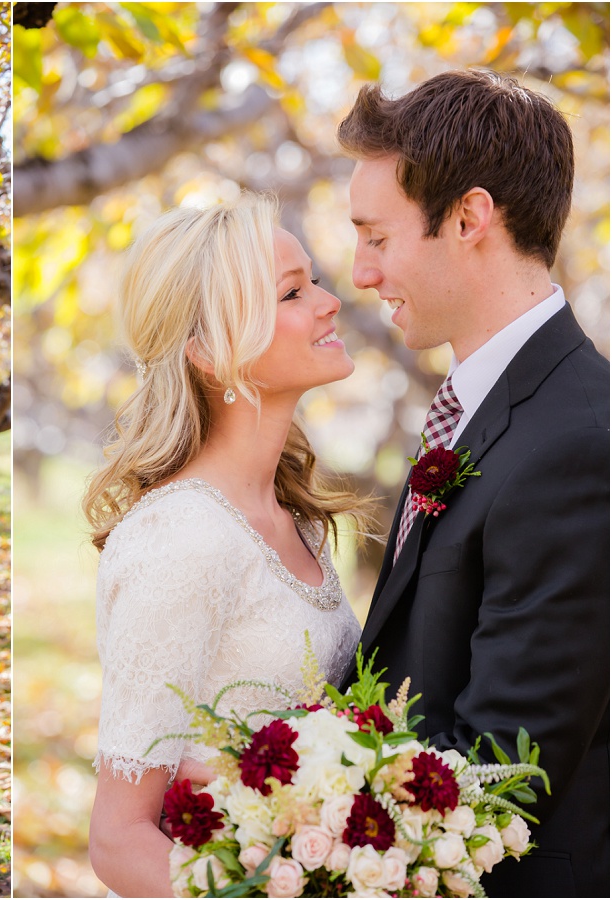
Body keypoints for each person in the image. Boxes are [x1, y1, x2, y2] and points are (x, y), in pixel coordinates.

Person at [340, 69, 609, 896]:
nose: (358, 271)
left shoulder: (577, 442)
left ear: (469, 218)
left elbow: (504, 772)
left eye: (377, 237)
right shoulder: (483, 403)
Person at [82, 196, 371, 897]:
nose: (332, 302)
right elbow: (119, 839)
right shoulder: (181, 539)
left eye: (315, 281)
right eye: (294, 292)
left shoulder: (290, 514)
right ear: (210, 351)